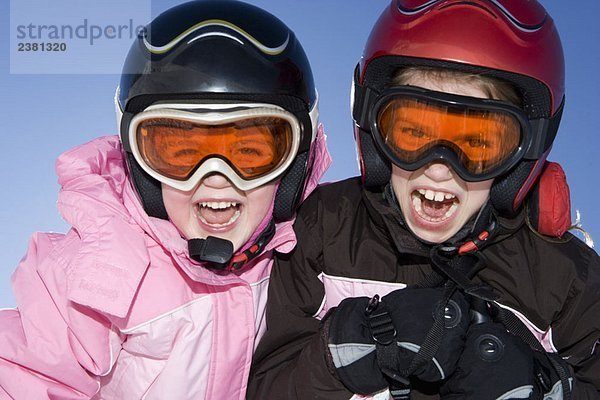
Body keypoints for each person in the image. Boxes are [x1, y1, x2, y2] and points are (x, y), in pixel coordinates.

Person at [248, 1, 600, 399]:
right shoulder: (324, 230)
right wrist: (344, 346)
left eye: (478, 144)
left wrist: (546, 388)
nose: (439, 167)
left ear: (526, 151)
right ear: (373, 128)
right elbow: (265, 384)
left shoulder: (566, 280)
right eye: (412, 134)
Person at [0, 1, 330, 398]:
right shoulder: (97, 272)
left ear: (295, 160)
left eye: (249, 152)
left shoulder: (310, 258)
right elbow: (30, 377)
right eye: (179, 152)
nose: (215, 178)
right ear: (138, 161)